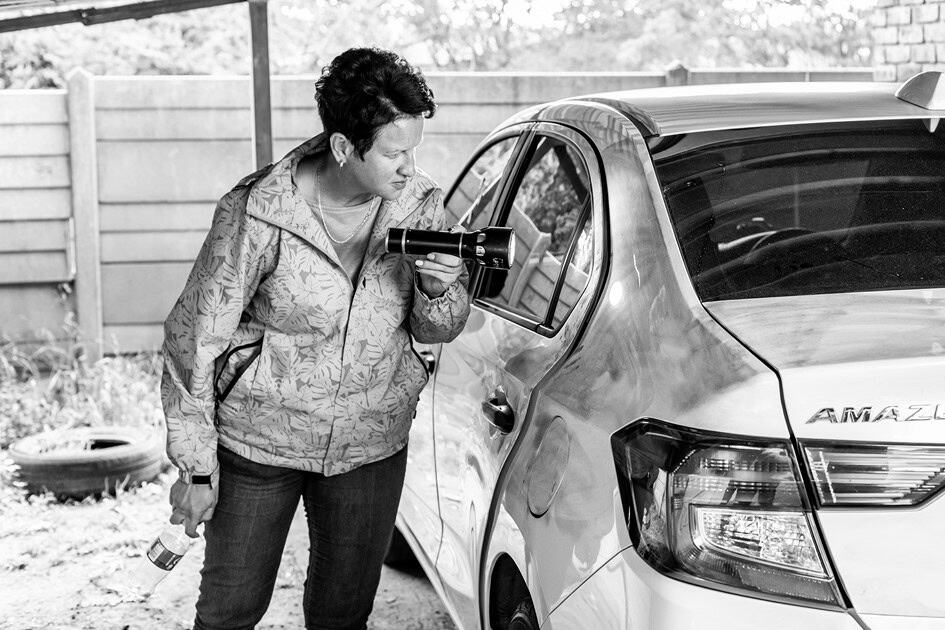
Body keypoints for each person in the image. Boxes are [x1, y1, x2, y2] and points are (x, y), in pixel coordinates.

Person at [160, 47, 470, 630]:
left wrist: (437, 290)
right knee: (229, 612)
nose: (410, 168)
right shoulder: (258, 211)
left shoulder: (421, 204)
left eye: (414, 150)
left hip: (370, 444)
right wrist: (196, 469)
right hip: (258, 444)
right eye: (394, 153)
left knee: (342, 615)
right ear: (345, 147)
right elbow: (192, 341)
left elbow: (439, 328)